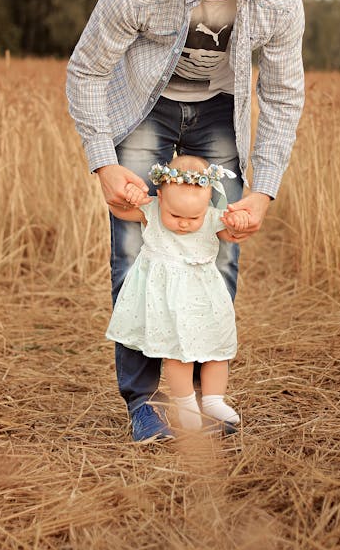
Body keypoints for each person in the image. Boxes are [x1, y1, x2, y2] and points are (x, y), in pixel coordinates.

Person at [67, 0, 305, 442]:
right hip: (146, 106)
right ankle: (144, 402)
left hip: (220, 111)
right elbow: (87, 70)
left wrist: (262, 193)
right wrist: (104, 164)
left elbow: (282, 95)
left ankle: (200, 400)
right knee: (135, 252)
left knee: (217, 253)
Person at [105, 155, 250, 434]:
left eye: (193, 217)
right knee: (177, 355)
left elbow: (233, 228)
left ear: (207, 203)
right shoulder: (154, 211)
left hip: (203, 300)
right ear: (159, 197)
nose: (184, 223)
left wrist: (240, 219)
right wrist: (132, 197)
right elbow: (120, 212)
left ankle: (213, 399)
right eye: (176, 216)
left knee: (216, 351)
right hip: (167, 303)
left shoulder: (210, 216)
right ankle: (186, 404)